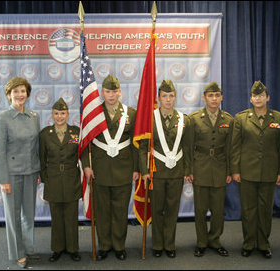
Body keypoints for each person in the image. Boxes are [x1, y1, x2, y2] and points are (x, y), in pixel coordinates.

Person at [82, 74, 139, 261]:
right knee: (103, 211)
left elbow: (135, 144)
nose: (111, 95)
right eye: (108, 91)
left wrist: (136, 168)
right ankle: (105, 246)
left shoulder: (131, 113)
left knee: (120, 211)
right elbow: (85, 142)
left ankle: (119, 246)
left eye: (114, 91)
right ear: (102, 93)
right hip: (100, 169)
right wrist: (87, 166)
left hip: (124, 168)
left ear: (120, 92)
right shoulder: (93, 113)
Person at [231, 80, 280, 259]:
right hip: (247, 172)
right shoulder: (241, 118)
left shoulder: (279, 119)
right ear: (250, 98)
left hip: (269, 173)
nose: (258, 98)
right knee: (248, 210)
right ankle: (248, 243)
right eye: (255, 96)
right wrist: (235, 170)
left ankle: (263, 244)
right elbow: (235, 147)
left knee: (265, 210)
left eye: (261, 95)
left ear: (267, 97)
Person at [139, 79, 190, 258]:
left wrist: (187, 171)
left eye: (171, 96)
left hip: (176, 172)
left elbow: (188, 147)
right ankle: (158, 244)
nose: (168, 99)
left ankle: (169, 244)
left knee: (172, 209)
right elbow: (143, 147)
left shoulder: (184, 119)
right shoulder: (149, 119)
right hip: (156, 172)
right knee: (157, 209)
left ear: (175, 97)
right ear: (159, 97)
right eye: (164, 96)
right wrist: (144, 171)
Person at [0, 77, 41, 268]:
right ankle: (18, 253)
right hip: (12, 175)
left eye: (23, 91)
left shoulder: (34, 116)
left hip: (31, 172)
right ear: (8, 95)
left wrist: (39, 171)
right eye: (15, 92)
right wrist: (3, 179)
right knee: (13, 216)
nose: (19, 95)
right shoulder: (3, 118)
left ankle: (29, 248)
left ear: (27, 94)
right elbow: (0, 151)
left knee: (29, 214)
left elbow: (37, 146)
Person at [187, 82, 233, 257]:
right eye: (210, 96)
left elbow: (231, 148)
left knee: (218, 210)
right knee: (200, 209)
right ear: (204, 98)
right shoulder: (194, 119)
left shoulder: (229, 120)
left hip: (220, 169)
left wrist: (230, 171)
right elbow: (188, 146)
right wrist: (189, 170)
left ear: (221, 97)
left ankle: (215, 240)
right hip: (200, 167)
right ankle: (201, 242)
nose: (214, 99)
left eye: (217, 95)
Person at [39, 98, 82, 262]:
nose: (59, 117)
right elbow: (42, 159)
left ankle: (72, 249)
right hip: (53, 178)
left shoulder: (76, 132)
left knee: (71, 216)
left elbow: (82, 154)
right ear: (52, 115)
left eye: (62, 113)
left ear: (67, 114)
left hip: (71, 178)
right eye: (56, 113)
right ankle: (57, 249)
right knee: (56, 216)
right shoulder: (45, 134)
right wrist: (45, 178)